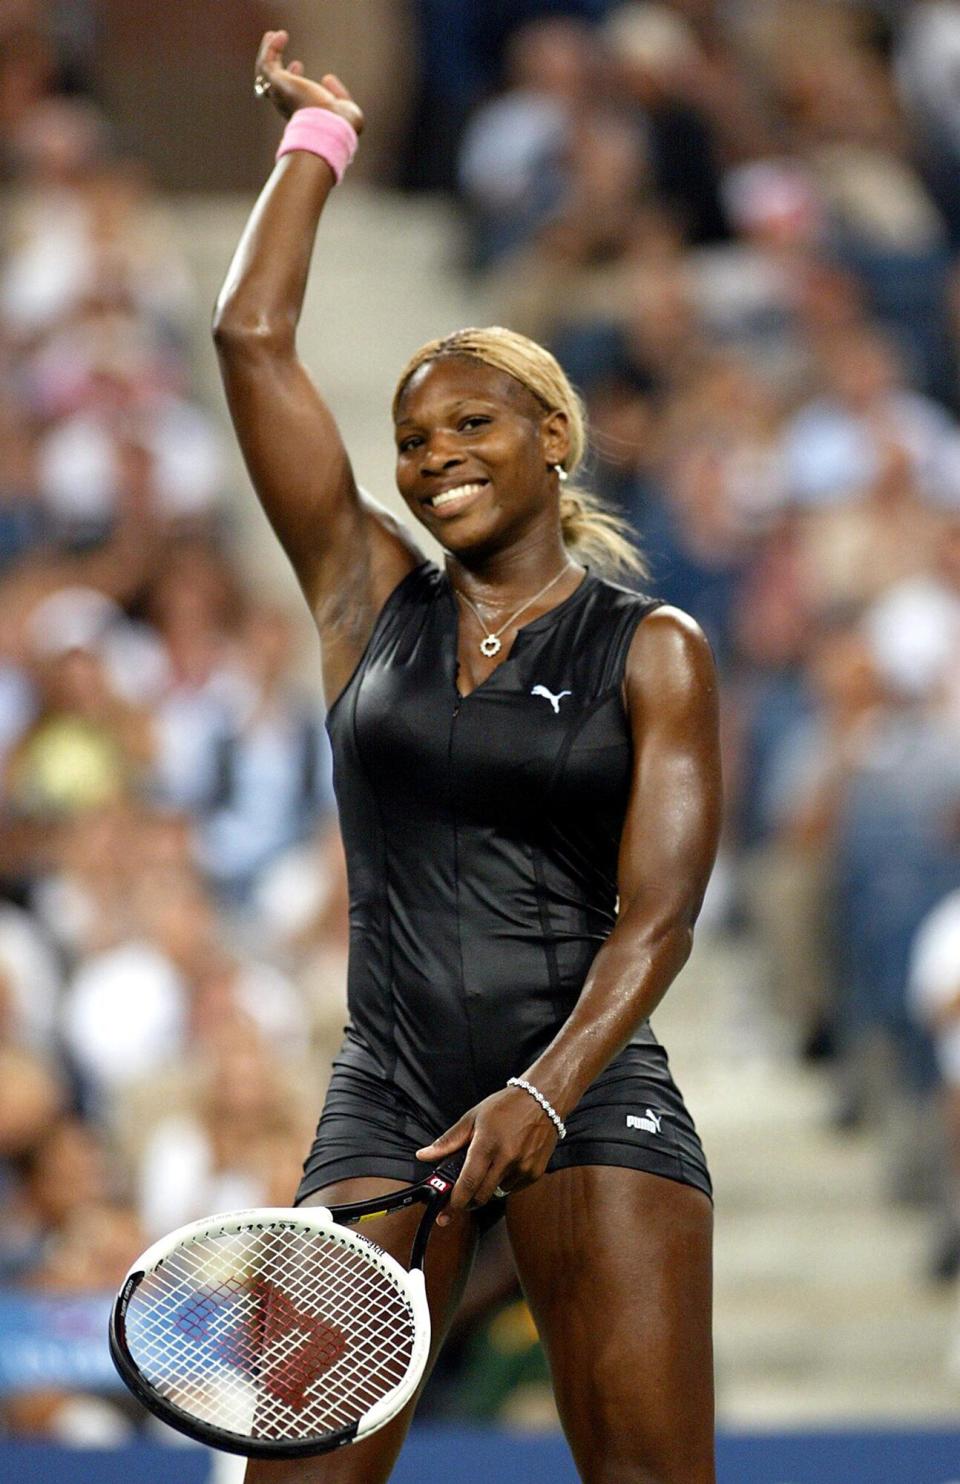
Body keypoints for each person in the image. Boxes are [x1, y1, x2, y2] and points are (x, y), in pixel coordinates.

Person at [212, 30, 722, 1484]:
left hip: (593, 1096)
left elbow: (664, 916)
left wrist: (546, 1096)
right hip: (387, 1091)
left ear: (554, 437)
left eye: (473, 422)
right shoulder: (362, 591)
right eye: (412, 436)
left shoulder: (654, 647)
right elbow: (249, 339)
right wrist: (316, 147)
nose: (434, 454)